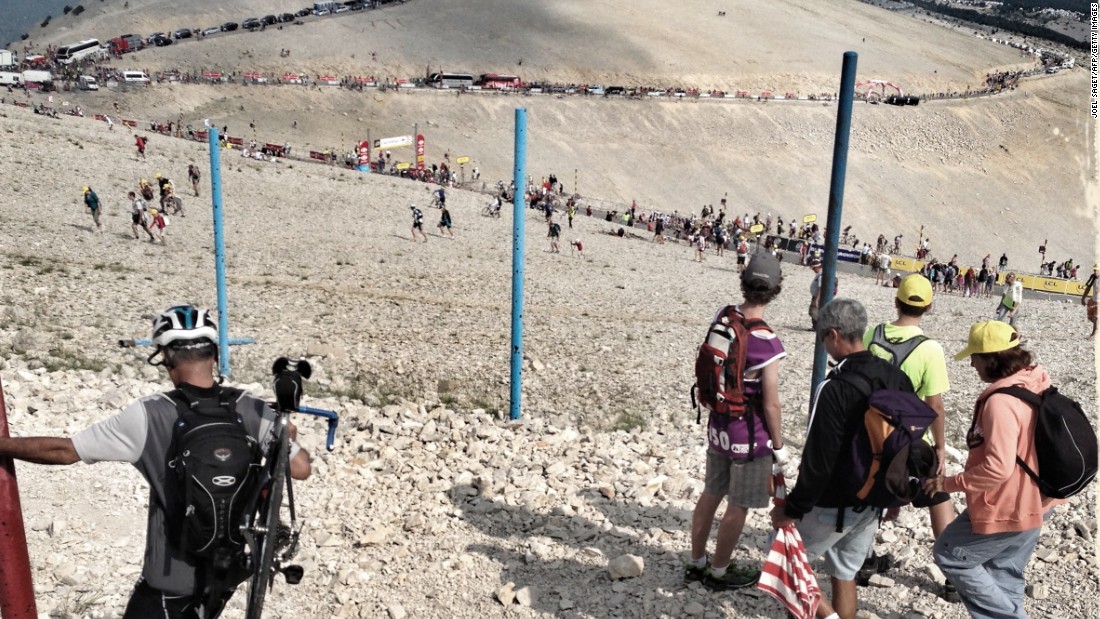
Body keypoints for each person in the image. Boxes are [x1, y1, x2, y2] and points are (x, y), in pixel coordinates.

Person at [0, 305, 312, 618]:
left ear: (163, 356)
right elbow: (300, 469)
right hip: (228, 571)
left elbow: (65, 451)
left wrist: (3, 445)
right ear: (215, 353)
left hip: (168, 583)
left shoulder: (148, 414)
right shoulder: (251, 407)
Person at [770, 298, 914, 619]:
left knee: (787, 561)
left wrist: (791, 509)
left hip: (833, 503)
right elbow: (907, 441)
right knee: (844, 571)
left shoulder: (833, 387)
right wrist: (895, 496)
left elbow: (818, 461)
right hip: (873, 500)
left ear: (834, 334)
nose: (824, 343)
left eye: (823, 336)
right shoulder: (895, 377)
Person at [925, 321, 1064, 618]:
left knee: (949, 555)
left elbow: (997, 469)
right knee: (1004, 570)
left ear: (991, 358)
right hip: (1041, 498)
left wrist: (947, 484)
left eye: (974, 357)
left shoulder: (999, 402)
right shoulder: (1035, 380)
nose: (972, 364)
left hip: (1010, 505)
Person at [688, 253, 789, 590]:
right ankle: (719, 570)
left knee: (711, 492)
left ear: (744, 283)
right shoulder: (768, 343)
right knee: (739, 504)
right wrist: (779, 445)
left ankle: (697, 561)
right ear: (776, 290)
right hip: (749, 434)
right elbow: (771, 402)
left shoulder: (725, 316)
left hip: (718, 423)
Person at [861, 275, 958, 601]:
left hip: (869, 431)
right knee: (937, 489)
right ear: (929, 306)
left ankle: (862, 558)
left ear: (896, 300)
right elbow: (935, 404)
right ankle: (952, 577)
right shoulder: (930, 348)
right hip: (906, 437)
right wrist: (941, 447)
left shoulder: (873, 334)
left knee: (865, 488)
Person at [1081, 265, 1099, 338]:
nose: (1095, 272)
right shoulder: (1093, 277)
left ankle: (1094, 334)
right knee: (1090, 317)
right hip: (1093, 300)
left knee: (1095, 318)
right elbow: (1088, 288)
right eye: (1094, 270)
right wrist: (1083, 298)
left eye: (1096, 270)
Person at [808, 257, 824, 330]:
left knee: (813, 311)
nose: (813, 270)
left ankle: (816, 327)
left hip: (817, 297)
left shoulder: (821, 276)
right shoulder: (820, 274)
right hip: (817, 296)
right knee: (814, 311)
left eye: (814, 268)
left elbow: (820, 288)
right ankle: (816, 327)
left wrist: (816, 300)